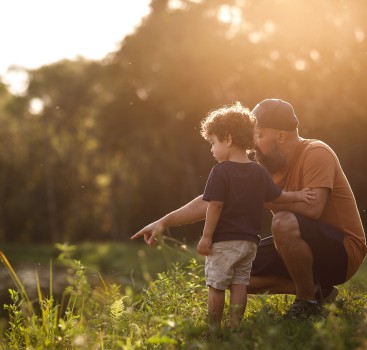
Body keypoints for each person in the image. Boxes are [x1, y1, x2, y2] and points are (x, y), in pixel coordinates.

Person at [131, 98, 367, 320]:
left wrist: (261, 199)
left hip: (343, 252)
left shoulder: (316, 152)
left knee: (282, 221)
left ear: (281, 137)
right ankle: (319, 292)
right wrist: (164, 222)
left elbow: (314, 208)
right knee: (233, 269)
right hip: (296, 244)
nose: (253, 144)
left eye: (259, 136)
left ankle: (307, 303)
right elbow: (212, 199)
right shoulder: (264, 169)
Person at [195, 103, 314, 329]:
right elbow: (278, 196)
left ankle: (213, 329)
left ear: (227, 139)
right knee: (240, 284)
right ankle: (235, 327)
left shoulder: (220, 171)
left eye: (213, 143)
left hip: (223, 241)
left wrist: (206, 236)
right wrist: (299, 195)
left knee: (217, 285)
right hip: (249, 243)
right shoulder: (258, 171)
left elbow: (215, 206)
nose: (212, 149)